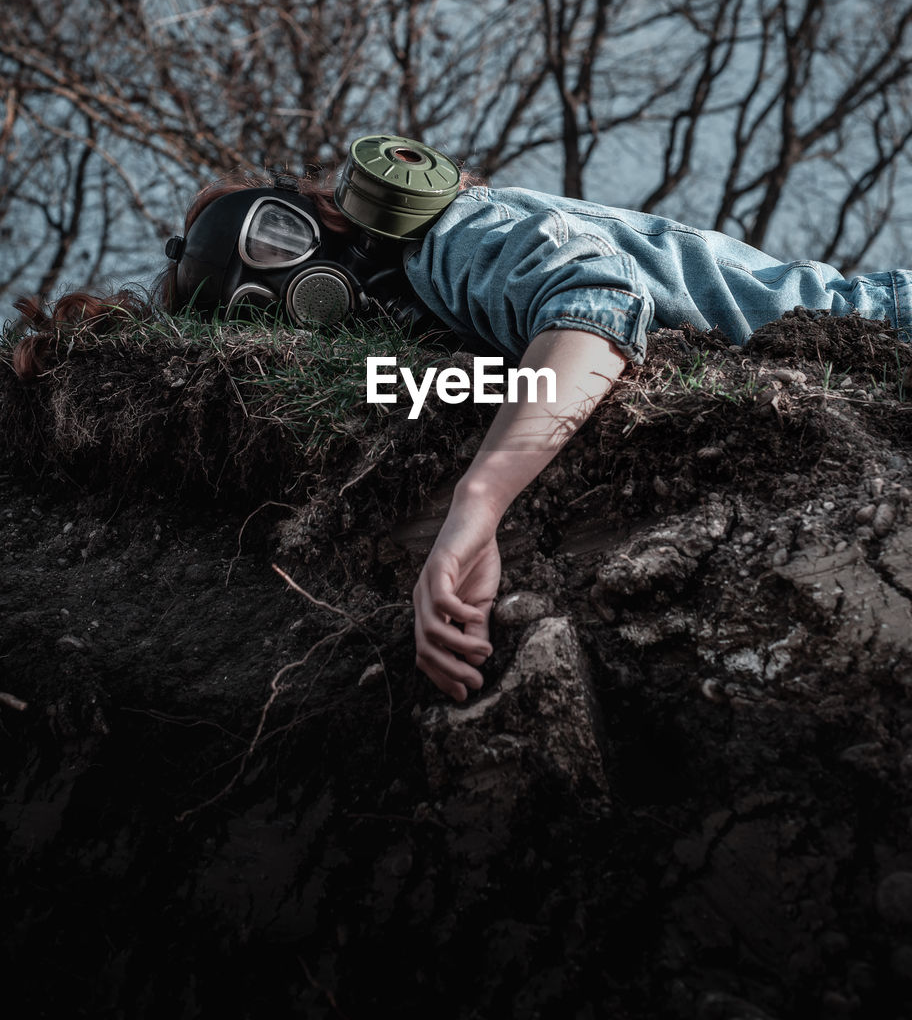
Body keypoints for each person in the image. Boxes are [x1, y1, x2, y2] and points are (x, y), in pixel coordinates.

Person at [13, 134, 912, 701]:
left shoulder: (451, 233)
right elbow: (481, 392)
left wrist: (474, 512)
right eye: (253, 306)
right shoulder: (432, 344)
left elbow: (594, 302)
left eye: (275, 237)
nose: (288, 283)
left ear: (331, 210)